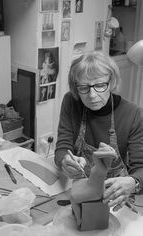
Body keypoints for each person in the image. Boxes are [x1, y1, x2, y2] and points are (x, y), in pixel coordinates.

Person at [55, 51, 143, 211]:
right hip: (81, 189)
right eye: (83, 87)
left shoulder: (133, 113)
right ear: (76, 87)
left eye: (100, 85)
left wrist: (133, 182)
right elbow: (62, 146)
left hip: (116, 196)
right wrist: (64, 160)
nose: (92, 95)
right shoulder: (71, 101)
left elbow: (141, 168)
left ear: (112, 82)